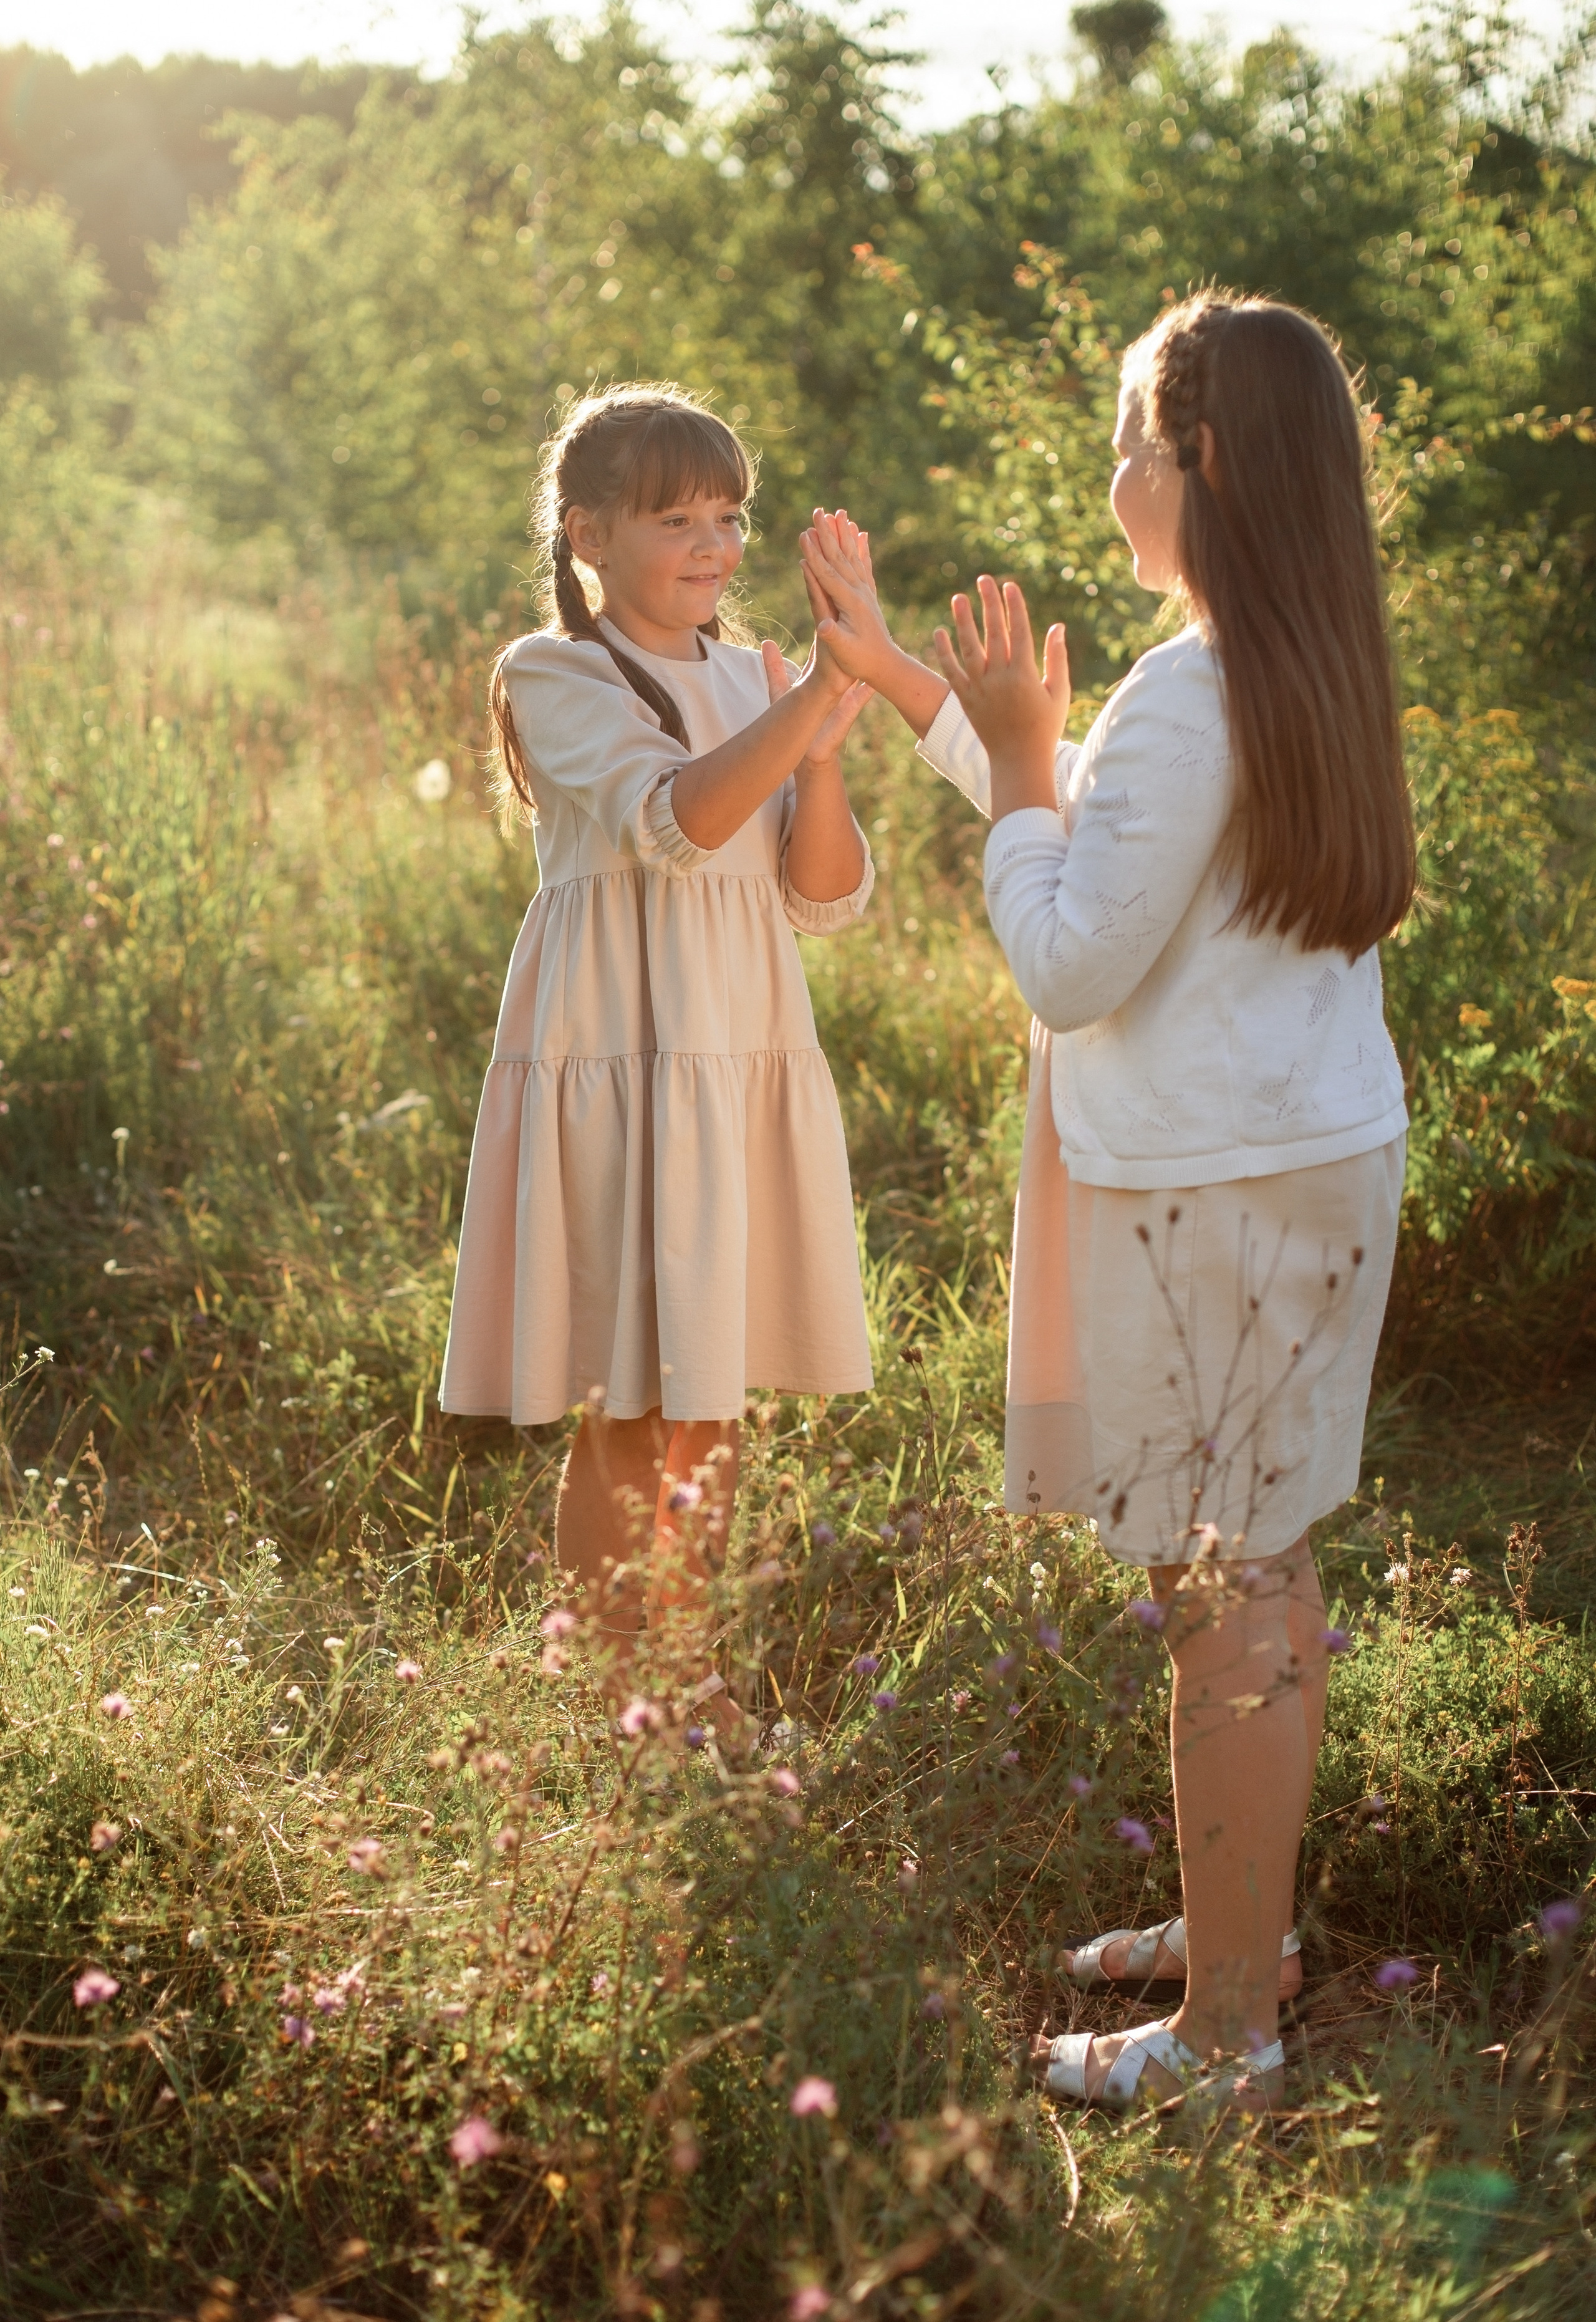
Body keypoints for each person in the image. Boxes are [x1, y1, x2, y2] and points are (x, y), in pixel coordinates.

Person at [800, 290, 1415, 2109]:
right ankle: (1252, 1937)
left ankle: (1226, 2033)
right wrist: (942, 699)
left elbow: (1070, 957)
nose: (1116, 475)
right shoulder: (1300, 654)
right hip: (1309, 1153)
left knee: (1220, 1595)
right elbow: (1128, 845)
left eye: (1134, 443)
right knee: (1269, 1571)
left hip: (1203, 1195)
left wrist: (1007, 756)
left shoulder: (1189, 687)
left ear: (1205, 464)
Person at [440, 385, 877, 1736]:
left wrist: (822, 734)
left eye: (729, 516)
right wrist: (814, 694)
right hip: (620, 1046)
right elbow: (674, 824)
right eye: (674, 516)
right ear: (584, 532)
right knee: (627, 1398)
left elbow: (821, 894)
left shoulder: (751, 679)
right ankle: (610, 1705)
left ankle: (690, 1690)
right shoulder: (553, 670)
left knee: (716, 1385)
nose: (711, 544)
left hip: (737, 1043)